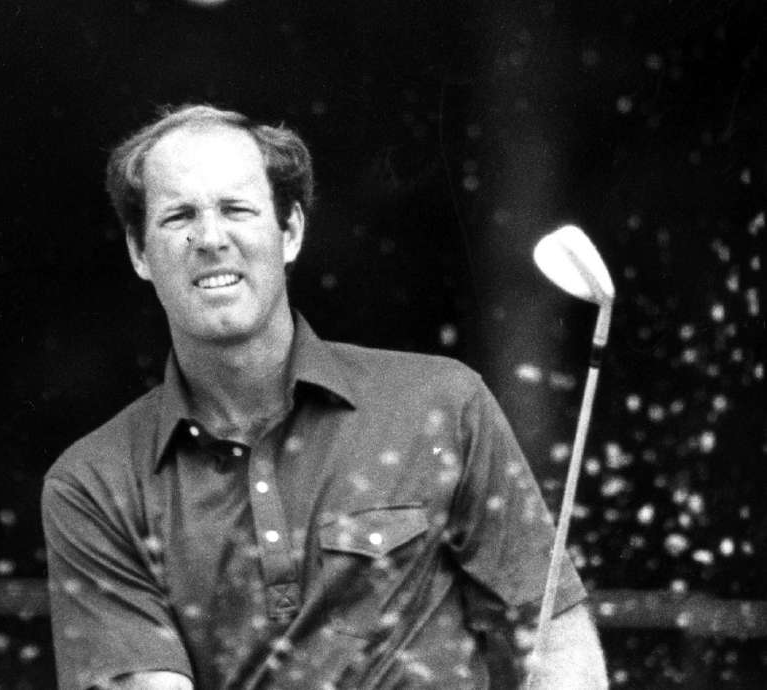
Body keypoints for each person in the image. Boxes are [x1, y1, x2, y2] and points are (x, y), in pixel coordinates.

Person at [41, 104, 607, 689]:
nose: (210, 238)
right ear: (139, 252)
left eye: (237, 209)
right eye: (179, 216)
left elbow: (552, 632)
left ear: (290, 232)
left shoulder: (443, 403)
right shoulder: (91, 484)